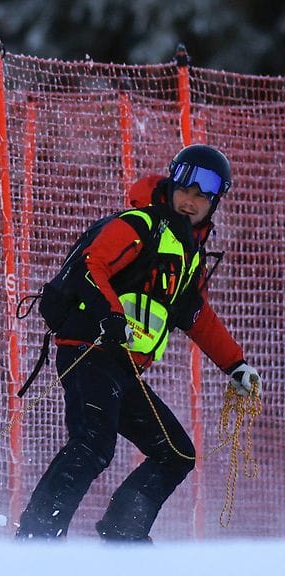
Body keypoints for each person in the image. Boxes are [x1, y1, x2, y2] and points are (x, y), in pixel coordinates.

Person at [15, 144, 263, 542]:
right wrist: (111, 314)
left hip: (123, 366)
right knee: (93, 443)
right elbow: (91, 265)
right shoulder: (140, 225)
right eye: (186, 190)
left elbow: (196, 315)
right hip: (90, 351)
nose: (191, 201)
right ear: (171, 185)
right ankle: (35, 540)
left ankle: (122, 536)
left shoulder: (188, 256)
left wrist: (236, 365)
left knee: (175, 453)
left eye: (203, 197)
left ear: (214, 203)